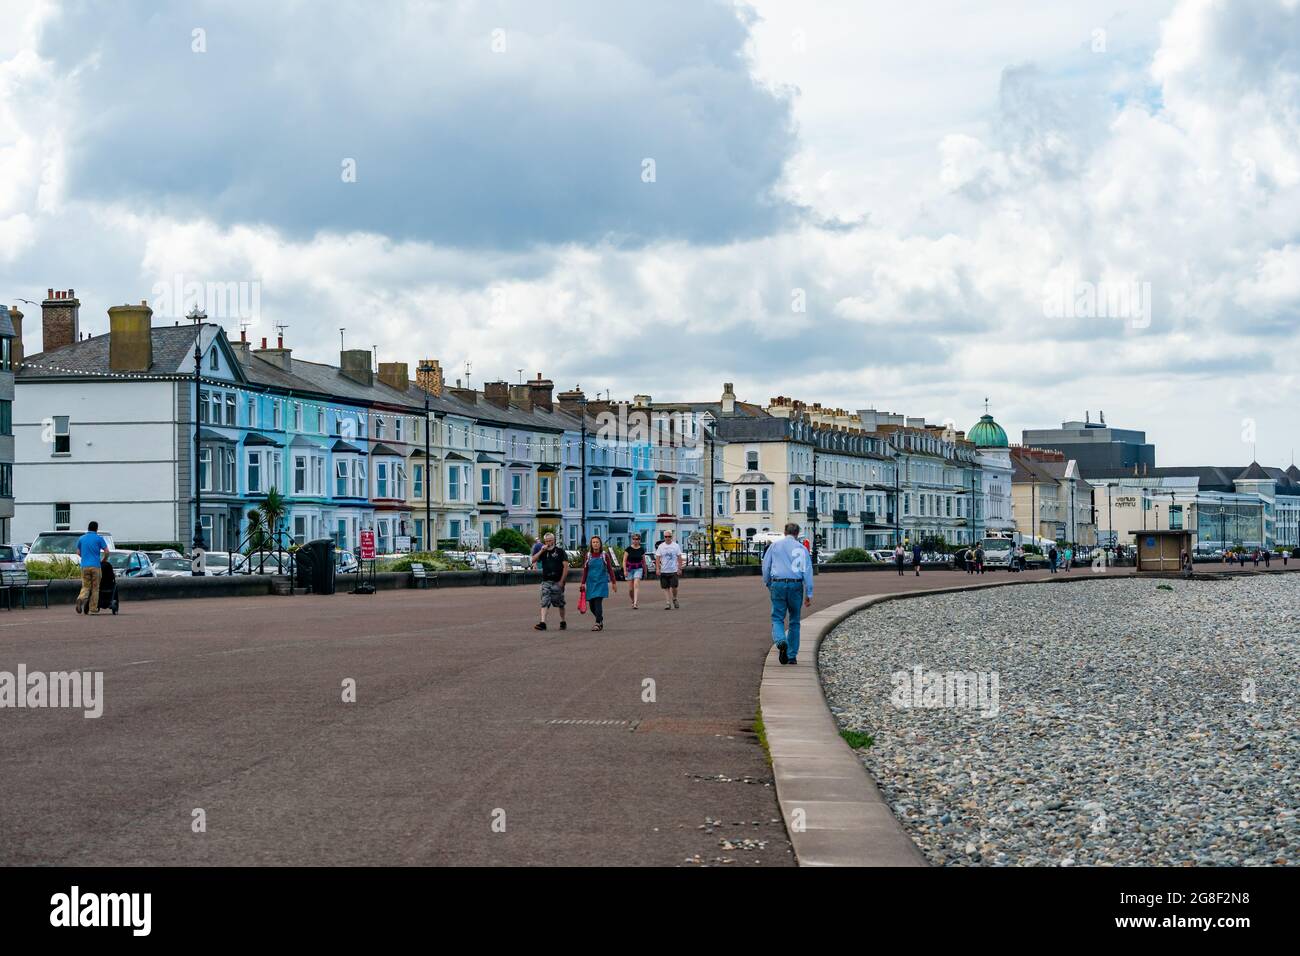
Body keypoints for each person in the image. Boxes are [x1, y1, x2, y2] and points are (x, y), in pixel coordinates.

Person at [762, 522, 814, 666]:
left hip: (778, 582)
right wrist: (809, 593)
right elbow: (807, 572)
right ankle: (792, 655)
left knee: (777, 617)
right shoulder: (802, 549)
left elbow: (766, 566)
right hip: (796, 584)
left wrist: (768, 582)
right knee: (794, 621)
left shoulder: (774, 546)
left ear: (785, 532)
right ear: (797, 534)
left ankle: (781, 641)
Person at [530, 532, 569, 631]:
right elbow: (533, 560)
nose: (548, 543)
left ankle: (563, 621)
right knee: (544, 602)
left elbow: (565, 566)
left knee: (560, 603)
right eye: (546, 541)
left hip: (557, 581)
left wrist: (562, 581)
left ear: (554, 540)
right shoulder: (543, 552)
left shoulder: (560, 551)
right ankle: (543, 623)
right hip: (546, 581)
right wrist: (541, 551)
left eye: (550, 540)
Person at [579, 535, 617, 631]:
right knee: (592, 606)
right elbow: (585, 570)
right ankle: (600, 619)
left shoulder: (604, 555)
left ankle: (597, 623)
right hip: (590, 583)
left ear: (600, 544)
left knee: (597, 602)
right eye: (593, 542)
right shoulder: (588, 555)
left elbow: (610, 569)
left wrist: (613, 582)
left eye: (597, 542)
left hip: (601, 582)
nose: (595, 544)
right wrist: (583, 583)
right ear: (591, 544)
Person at [74, 520, 110, 615]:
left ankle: (80, 598)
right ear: (96, 529)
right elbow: (106, 552)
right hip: (96, 566)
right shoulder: (99, 538)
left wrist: (85, 557)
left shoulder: (81, 538)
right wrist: (104, 560)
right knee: (95, 588)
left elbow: (78, 552)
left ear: (88, 528)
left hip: (84, 566)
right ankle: (92, 609)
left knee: (86, 586)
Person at [654, 529, 684, 610]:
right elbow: (657, 558)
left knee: (674, 587)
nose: (667, 538)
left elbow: (679, 557)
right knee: (665, 587)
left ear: (672, 537)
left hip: (673, 570)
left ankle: (674, 598)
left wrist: (680, 568)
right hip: (664, 570)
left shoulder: (676, 546)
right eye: (666, 536)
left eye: (669, 536)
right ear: (664, 537)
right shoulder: (661, 546)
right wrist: (657, 568)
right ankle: (667, 603)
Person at [622, 533, 647, 610]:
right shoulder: (628, 549)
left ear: (639, 540)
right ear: (632, 540)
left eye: (637, 539)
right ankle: (633, 600)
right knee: (630, 589)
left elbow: (644, 561)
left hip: (638, 568)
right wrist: (625, 571)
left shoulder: (641, 549)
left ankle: (635, 603)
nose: (635, 541)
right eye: (634, 539)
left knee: (636, 585)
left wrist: (645, 571)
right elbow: (624, 561)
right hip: (629, 569)